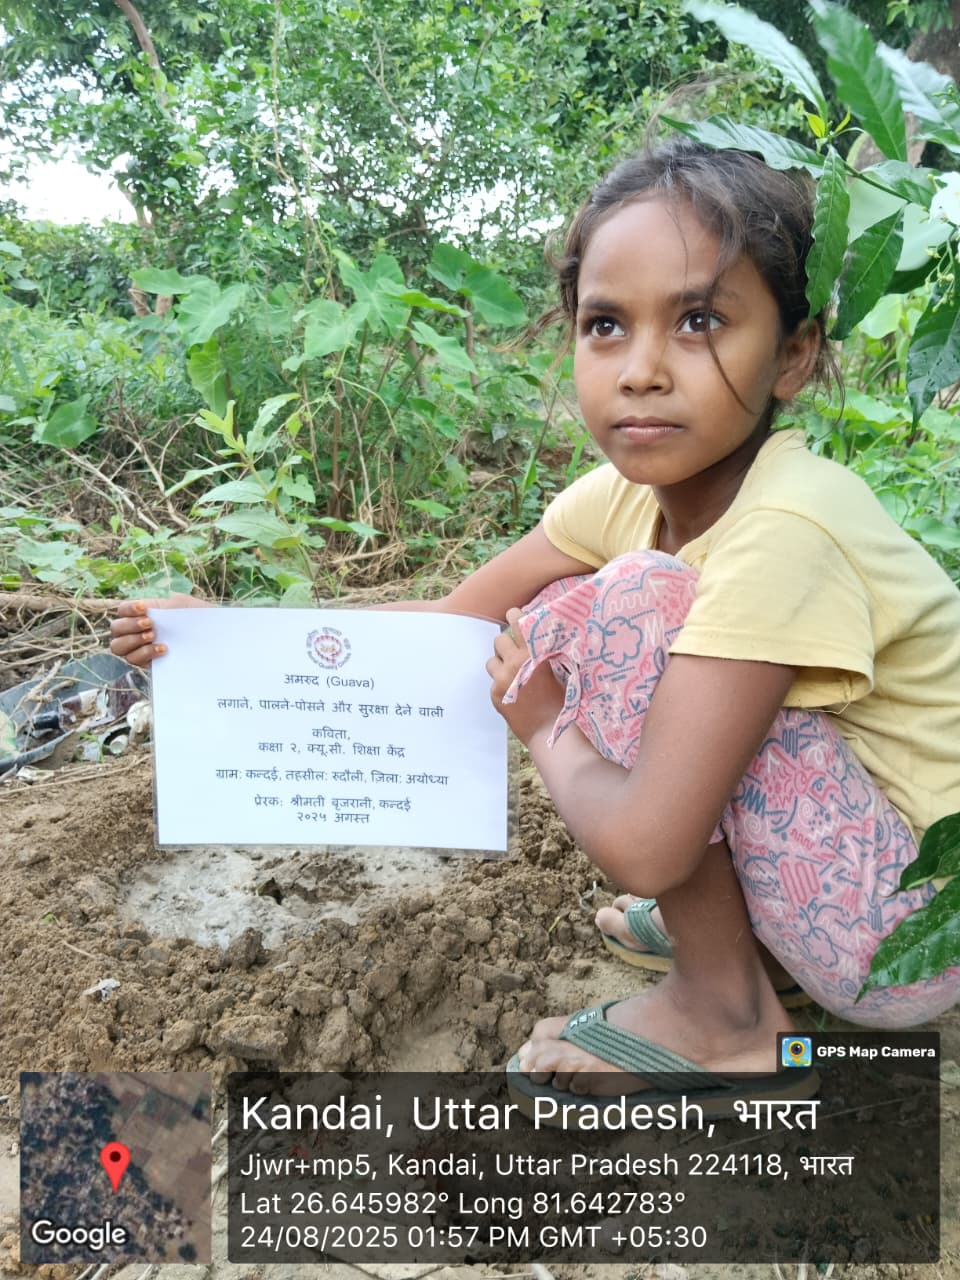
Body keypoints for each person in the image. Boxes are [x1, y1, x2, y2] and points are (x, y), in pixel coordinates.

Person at [111, 138, 960, 1111]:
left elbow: (643, 847)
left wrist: (548, 721)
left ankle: (729, 1015)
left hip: (916, 933)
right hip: (859, 863)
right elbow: (452, 624)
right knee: (626, 609)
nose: (641, 370)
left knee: (631, 605)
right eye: (606, 325)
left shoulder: (788, 528)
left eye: (698, 320)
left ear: (795, 353)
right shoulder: (627, 491)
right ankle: (750, 934)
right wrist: (219, 634)